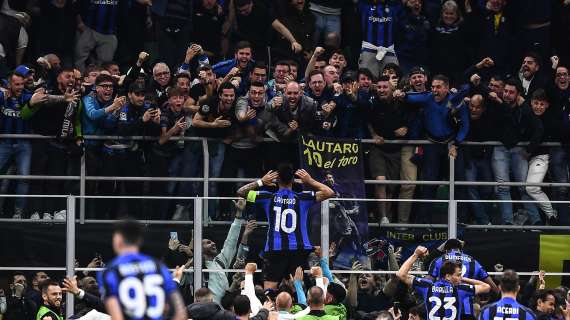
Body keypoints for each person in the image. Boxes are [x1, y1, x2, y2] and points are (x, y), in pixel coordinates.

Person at [237, 163, 334, 289]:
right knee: (298, 288)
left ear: (277, 180)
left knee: (269, 292)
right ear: (293, 180)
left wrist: (262, 181)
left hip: (275, 249)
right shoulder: (303, 198)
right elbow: (329, 192)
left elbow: (241, 191)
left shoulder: (267, 197)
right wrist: (310, 181)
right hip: (298, 250)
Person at [98, 219, 187, 320]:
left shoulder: (111, 271)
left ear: (118, 240)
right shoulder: (158, 267)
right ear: (139, 241)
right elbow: (180, 313)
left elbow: (116, 316)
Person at [487, 78, 543, 225]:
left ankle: (536, 221)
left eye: (511, 92)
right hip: (500, 148)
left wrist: (530, 149)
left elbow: (539, 128)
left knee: (524, 188)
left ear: (518, 94)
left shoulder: (524, 107)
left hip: (519, 149)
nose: (507, 94)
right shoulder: (496, 104)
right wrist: (499, 102)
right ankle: (508, 223)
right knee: (503, 187)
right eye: (505, 91)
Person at [397, 246, 491, 320]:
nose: (461, 278)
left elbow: (401, 274)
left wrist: (415, 254)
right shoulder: (460, 289)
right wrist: (465, 280)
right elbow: (486, 286)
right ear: (448, 276)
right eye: (458, 275)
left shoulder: (427, 286)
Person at [366, 75, 407, 224]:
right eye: (380, 87)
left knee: (391, 187)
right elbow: (367, 122)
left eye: (385, 87)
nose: (382, 90)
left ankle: (386, 218)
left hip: (395, 149)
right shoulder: (372, 102)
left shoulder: (400, 103)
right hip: (378, 148)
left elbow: (412, 118)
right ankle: (383, 216)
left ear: (391, 88)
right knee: (380, 180)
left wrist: (406, 128)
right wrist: (374, 135)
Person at [0, 72, 33, 218]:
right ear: (9, 84)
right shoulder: (2, 96)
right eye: (17, 84)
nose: (20, 87)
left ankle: (18, 213)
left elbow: (46, 98)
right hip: (4, 143)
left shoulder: (27, 96)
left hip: (23, 144)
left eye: (22, 84)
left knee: (24, 178)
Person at [526, 89, 559, 224]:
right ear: (531, 103)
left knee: (531, 187)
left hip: (541, 157)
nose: (538, 107)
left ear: (547, 105)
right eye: (536, 103)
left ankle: (552, 215)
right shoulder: (526, 114)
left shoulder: (549, 119)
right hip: (523, 158)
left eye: (541, 104)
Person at [427, 239, 498, 294]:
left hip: (445, 304)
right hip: (468, 305)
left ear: (446, 250)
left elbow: (427, 283)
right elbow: (493, 286)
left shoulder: (438, 260)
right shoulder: (474, 262)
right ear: (461, 249)